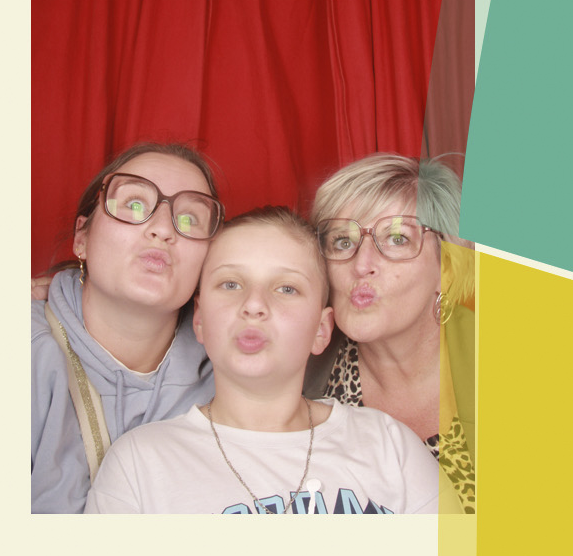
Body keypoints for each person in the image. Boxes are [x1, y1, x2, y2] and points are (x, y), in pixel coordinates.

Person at [86, 208, 440, 515]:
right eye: (231, 284)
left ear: (321, 330)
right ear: (200, 320)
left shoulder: (390, 446)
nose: (254, 305)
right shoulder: (138, 464)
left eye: (286, 288)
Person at [31, 143, 221, 514]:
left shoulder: (233, 367)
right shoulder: (16, 351)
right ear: (82, 238)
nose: (162, 230)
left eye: (189, 219)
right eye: (134, 205)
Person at [309, 154, 475, 512]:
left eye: (397, 238)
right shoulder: (299, 370)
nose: (361, 264)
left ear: (447, 269)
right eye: (342, 241)